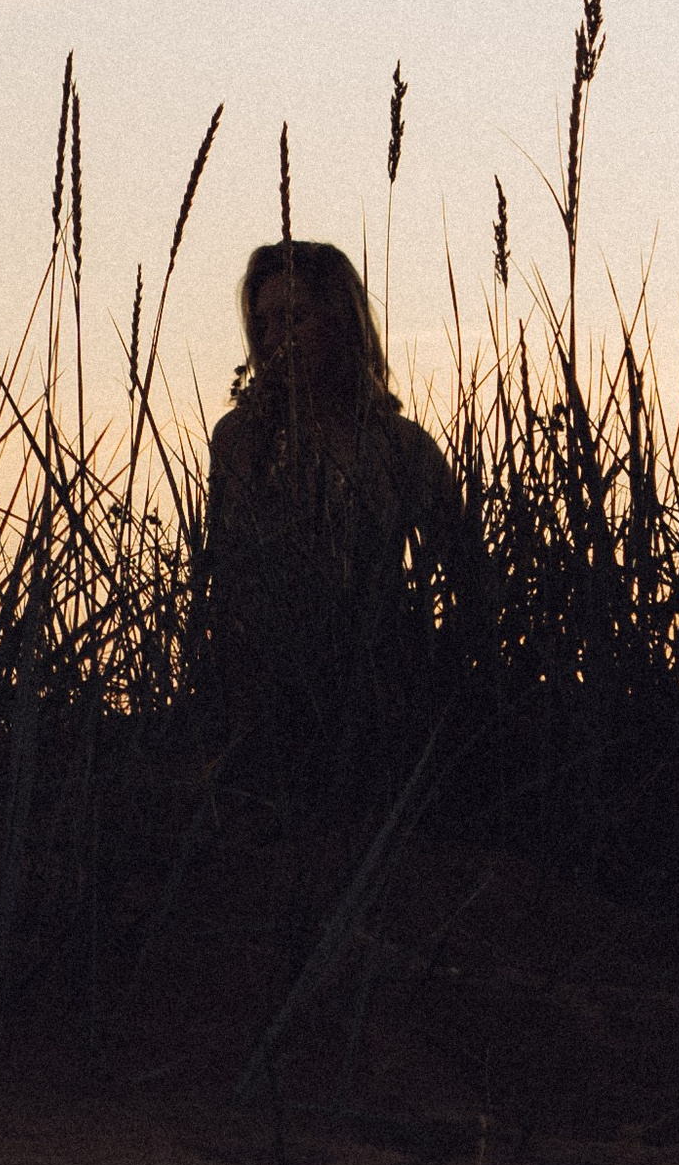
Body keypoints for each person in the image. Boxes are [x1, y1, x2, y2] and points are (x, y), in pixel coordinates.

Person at [196, 240, 484, 771]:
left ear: (341, 322)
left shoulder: (402, 447)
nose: (278, 338)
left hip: (383, 710)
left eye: (296, 317)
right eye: (264, 324)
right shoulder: (239, 439)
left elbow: (473, 578)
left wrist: (435, 676)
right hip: (262, 710)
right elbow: (226, 581)